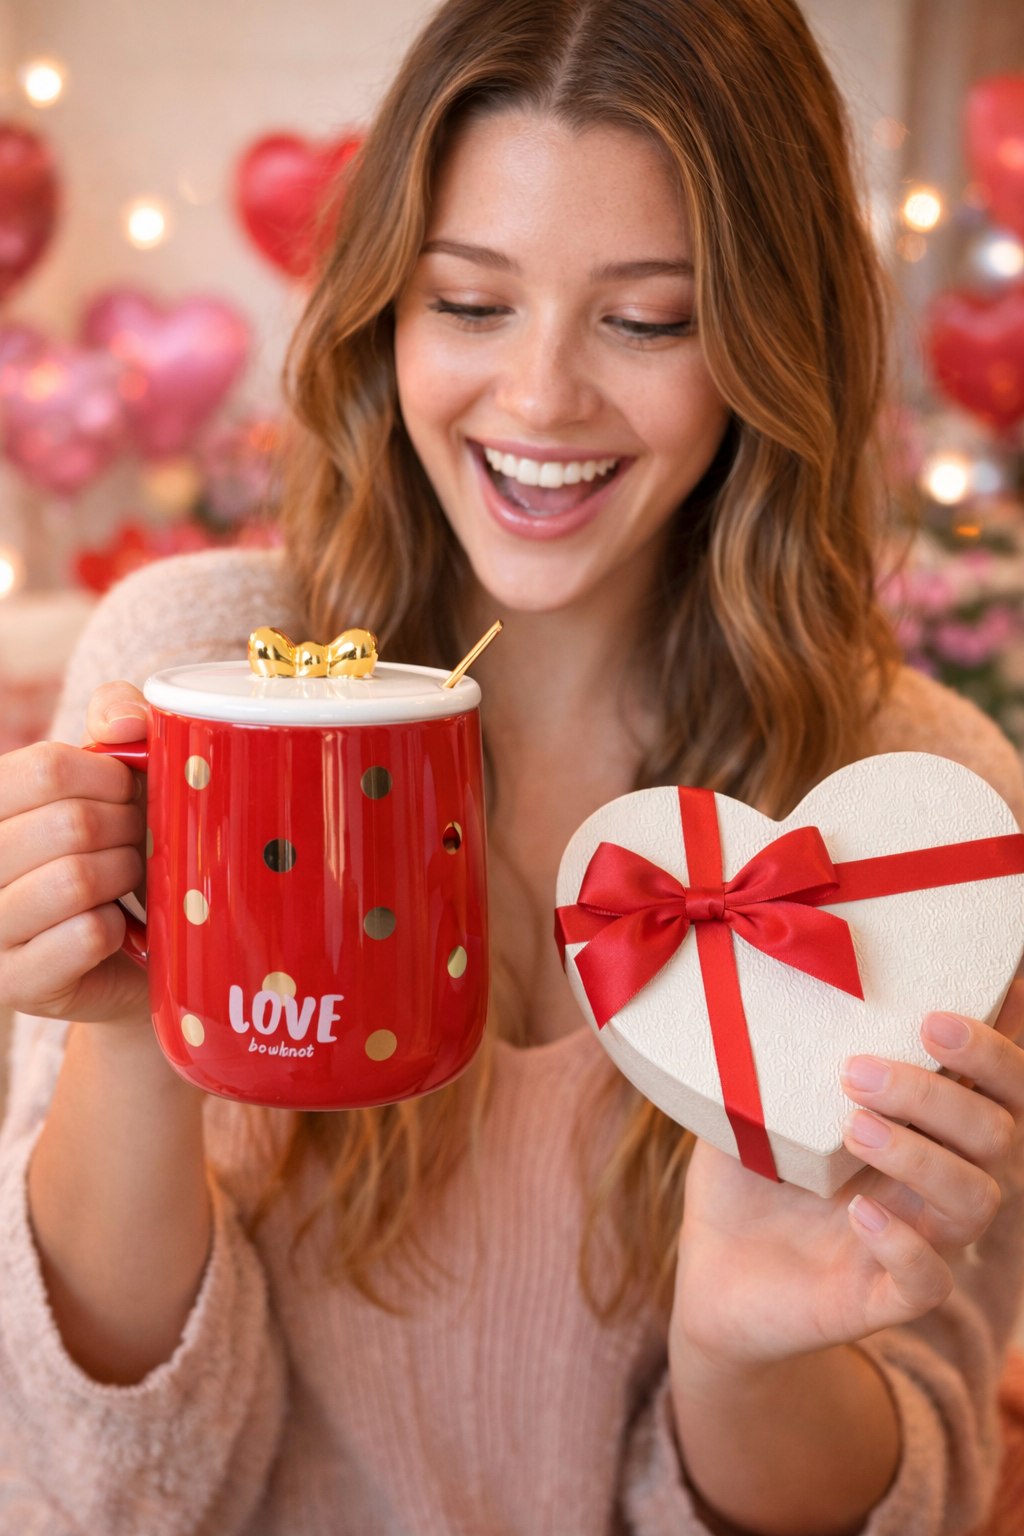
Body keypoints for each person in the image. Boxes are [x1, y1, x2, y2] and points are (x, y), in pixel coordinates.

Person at [0, 1, 1022, 1531]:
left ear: (769, 340)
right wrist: (134, 1035)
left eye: (651, 317)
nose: (540, 400)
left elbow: (920, 1495)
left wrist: (742, 1356)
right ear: (382, 311)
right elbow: (96, 1483)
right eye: (470, 303)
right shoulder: (187, 669)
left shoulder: (902, 811)